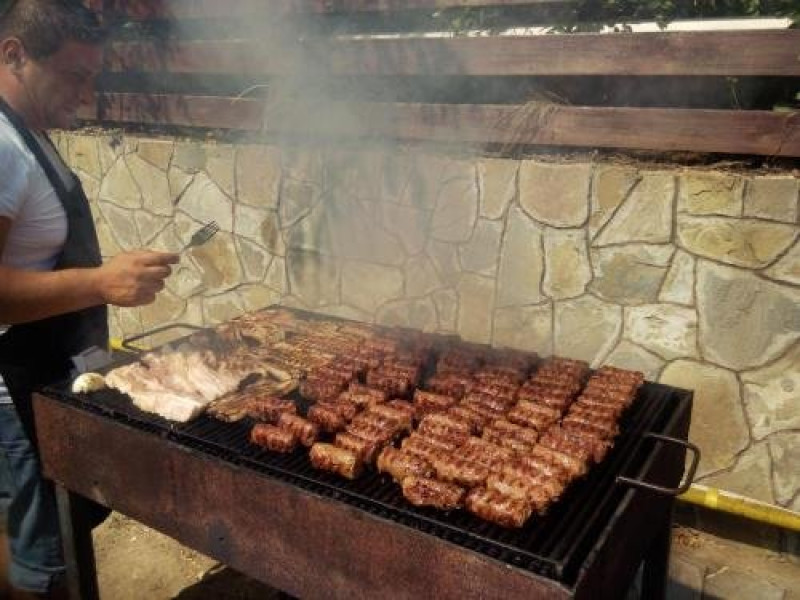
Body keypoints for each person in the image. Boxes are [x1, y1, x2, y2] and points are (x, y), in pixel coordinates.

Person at [0, 1, 178, 597]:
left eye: (93, 76)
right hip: (14, 393)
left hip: (46, 377)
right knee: (47, 565)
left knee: (45, 541)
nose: (86, 92)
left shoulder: (30, 136)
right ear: (14, 55)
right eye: (75, 75)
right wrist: (102, 283)